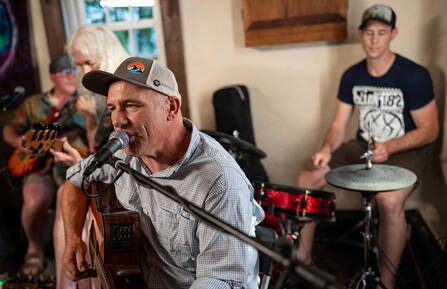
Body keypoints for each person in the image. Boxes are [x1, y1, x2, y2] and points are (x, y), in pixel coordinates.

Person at [61, 56, 264, 289]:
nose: (117, 120)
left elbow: (221, 280)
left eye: (132, 105)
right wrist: (74, 238)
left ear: (171, 108)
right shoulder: (125, 152)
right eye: (112, 108)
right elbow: (77, 177)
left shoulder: (219, 181)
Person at [296, 4, 438, 289]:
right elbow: (338, 126)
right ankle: (302, 265)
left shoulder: (414, 75)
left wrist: (392, 146)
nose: (374, 40)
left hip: (406, 150)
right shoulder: (352, 75)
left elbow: (430, 131)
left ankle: (385, 283)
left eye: (382, 33)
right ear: (361, 35)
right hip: (364, 146)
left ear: (393, 34)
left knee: (388, 201)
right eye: (369, 32)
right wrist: (325, 149)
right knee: (307, 178)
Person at [50, 24, 129, 289]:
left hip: (130, 173)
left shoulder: (124, 89)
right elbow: (99, 147)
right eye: (79, 65)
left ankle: (77, 281)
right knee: (67, 191)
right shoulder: (97, 94)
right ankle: (72, 277)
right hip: (111, 168)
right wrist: (90, 118)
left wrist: (79, 164)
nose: (85, 71)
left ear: (105, 55)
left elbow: (126, 155)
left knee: (71, 192)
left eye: (90, 62)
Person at [2, 55, 87, 278]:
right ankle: (33, 249)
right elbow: (9, 130)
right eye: (65, 72)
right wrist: (20, 142)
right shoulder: (33, 103)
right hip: (38, 168)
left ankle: (68, 256)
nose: (71, 76)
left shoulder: (86, 104)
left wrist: (91, 119)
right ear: (52, 76)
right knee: (34, 201)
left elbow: (97, 143)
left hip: (71, 167)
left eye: (73, 71)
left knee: (67, 204)